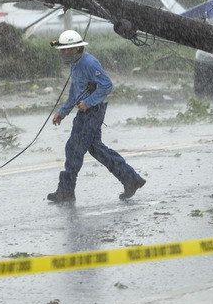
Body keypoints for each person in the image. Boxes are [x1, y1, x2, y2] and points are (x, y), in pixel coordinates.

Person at [46, 30, 146, 203]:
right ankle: (131, 179)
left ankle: (66, 191)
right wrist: (62, 112)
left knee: (74, 148)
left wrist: (89, 102)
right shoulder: (75, 63)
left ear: (75, 48)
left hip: (92, 112)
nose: (62, 53)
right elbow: (74, 92)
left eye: (65, 50)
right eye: (61, 50)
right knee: (96, 149)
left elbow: (107, 85)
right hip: (87, 111)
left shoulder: (89, 63)